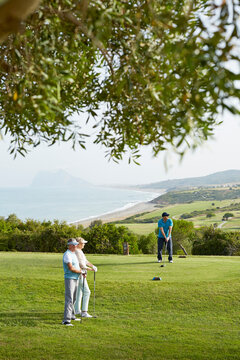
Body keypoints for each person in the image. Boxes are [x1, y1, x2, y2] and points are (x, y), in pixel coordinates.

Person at [74, 237, 98, 318]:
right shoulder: (77, 251)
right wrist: (91, 269)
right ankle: (84, 312)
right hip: (80, 274)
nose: (84, 244)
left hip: (81, 273)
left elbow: (85, 261)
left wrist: (92, 265)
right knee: (87, 292)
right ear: (78, 244)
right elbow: (81, 265)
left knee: (79, 292)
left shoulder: (80, 251)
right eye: (83, 243)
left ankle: (77, 310)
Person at [62, 238, 82, 326]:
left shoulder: (73, 254)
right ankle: (66, 320)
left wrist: (82, 272)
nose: (75, 246)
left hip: (75, 278)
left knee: (74, 298)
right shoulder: (67, 255)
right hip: (69, 278)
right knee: (69, 299)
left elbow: (76, 266)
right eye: (73, 244)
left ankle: (72, 315)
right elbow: (71, 268)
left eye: (76, 244)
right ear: (69, 245)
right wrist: (81, 272)